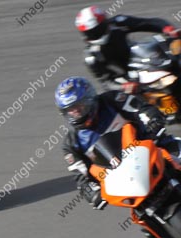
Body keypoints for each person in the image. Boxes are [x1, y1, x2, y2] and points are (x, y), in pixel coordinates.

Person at [56, 76, 181, 212]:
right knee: (140, 219)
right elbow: (81, 176)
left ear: (90, 100)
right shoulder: (72, 144)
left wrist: (153, 119)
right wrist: (92, 193)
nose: (75, 113)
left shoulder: (112, 100)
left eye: (79, 107)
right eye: (70, 111)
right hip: (126, 179)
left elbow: (140, 108)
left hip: (152, 147)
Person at [75, 6, 179, 94]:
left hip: (145, 58)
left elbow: (149, 23)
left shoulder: (118, 22)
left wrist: (167, 28)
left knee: (174, 59)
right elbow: (106, 82)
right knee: (138, 103)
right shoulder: (91, 57)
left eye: (97, 30)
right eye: (90, 32)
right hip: (128, 78)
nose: (94, 34)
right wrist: (123, 86)